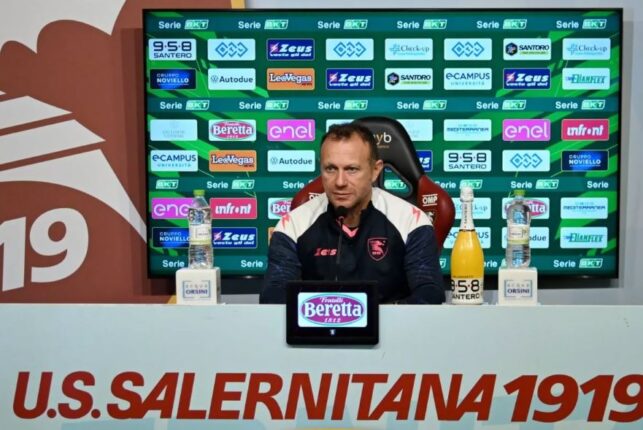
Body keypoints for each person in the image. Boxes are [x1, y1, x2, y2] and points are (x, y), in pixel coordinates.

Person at [260, 122, 445, 304]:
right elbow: (273, 297)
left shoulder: (411, 221)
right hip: (316, 323)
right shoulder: (293, 225)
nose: (340, 182)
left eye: (351, 169)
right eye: (331, 169)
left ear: (375, 170)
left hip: (394, 324)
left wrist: (374, 317)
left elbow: (429, 294)